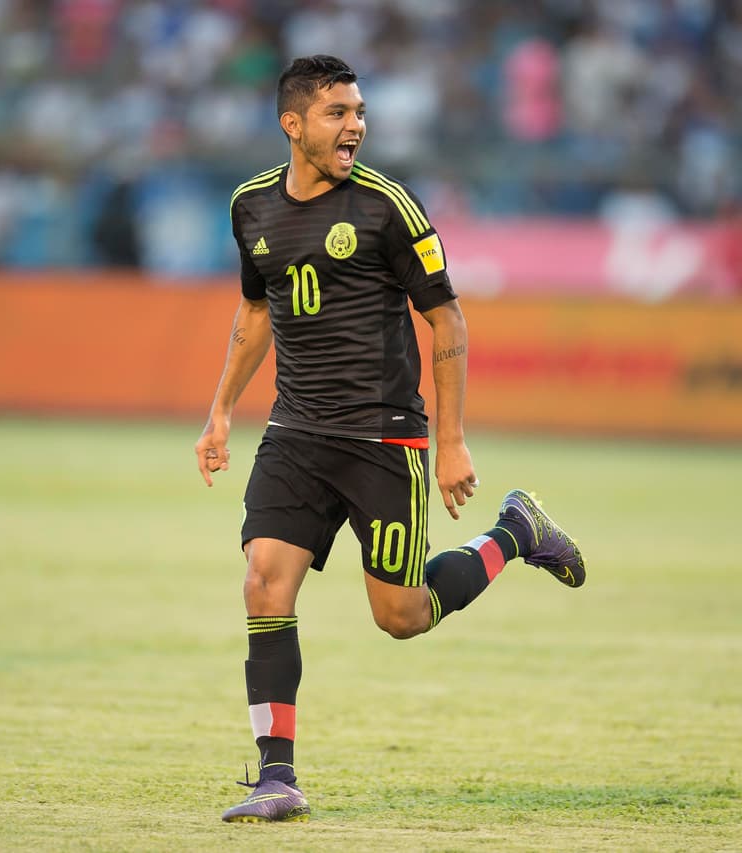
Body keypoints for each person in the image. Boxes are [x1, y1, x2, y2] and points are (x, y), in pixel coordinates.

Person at [195, 55, 585, 823]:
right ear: (293, 124)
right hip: (296, 432)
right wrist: (220, 411)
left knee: (400, 615)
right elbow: (254, 313)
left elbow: (447, 320)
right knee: (263, 580)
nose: (356, 127)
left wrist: (452, 441)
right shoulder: (250, 208)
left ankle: (516, 530)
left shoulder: (387, 207)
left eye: (359, 111)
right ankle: (278, 777)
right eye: (338, 113)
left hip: (385, 439)